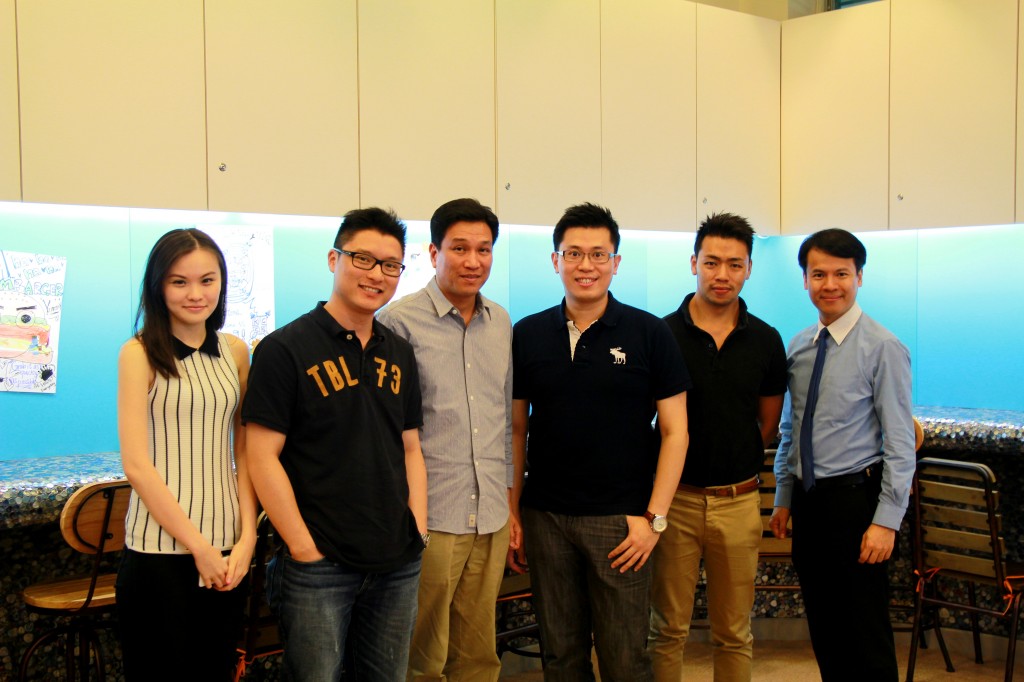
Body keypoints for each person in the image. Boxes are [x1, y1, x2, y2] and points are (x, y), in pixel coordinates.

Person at [243, 208, 428, 681]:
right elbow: (260, 456)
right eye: (363, 259)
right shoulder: (284, 349)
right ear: (334, 259)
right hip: (319, 566)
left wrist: (418, 530)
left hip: (397, 561)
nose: (376, 274)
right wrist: (303, 547)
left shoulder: (399, 351)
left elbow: (410, 447)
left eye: (390, 265)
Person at [509, 203, 690, 682]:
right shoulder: (527, 333)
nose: (585, 265)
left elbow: (675, 431)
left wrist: (654, 519)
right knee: (560, 658)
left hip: (622, 523)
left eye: (598, 254)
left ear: (616, 262)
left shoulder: (650, 333)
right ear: (555, 260)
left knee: (626, 661)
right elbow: (516, 430)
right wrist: (514, 510)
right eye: (573, 253)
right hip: (546, 519)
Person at [377, 198, 516, 682]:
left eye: (484, 249)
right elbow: (386, 434)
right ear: (434, 252)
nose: (473, 261)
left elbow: (502, 422)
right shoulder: (398, 323)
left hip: (491, 517)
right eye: (459, 248)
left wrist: (509, 503)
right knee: (422, 657)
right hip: (431, 518)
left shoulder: (501, 322)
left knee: (478, 654)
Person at [769, 228, 915, 682]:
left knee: (865, 632)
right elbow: (792, 429)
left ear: (859, 277)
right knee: (825, 626)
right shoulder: (800, 346)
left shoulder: (883, 347)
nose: (829, 284)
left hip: (857, 504)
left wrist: (886, 521)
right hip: (809, 504)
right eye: (818, 274)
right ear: (805, 280)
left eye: (841, 274)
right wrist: (783, 497)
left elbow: (900, 442)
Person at [649, 213, 787, 681]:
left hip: (738, 502)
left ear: (749, 269)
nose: (722, 274)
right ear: (694, 264)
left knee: (734, 632)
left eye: (734, 264)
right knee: (667, 629)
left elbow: (767, 423)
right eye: (711, 262)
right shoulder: (661, 335)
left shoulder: (766, 340)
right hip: (675, 502)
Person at [116, 228, 256, 681]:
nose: (196, 294)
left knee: (217, 670)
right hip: (159, 551)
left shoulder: (235, 351)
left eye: (207, 280)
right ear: (158, 286)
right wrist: (199, 548)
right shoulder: (138, 354)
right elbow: (137, 466)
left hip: (228, 547)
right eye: (179, 282)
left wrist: (248, 536)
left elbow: (245, 451)